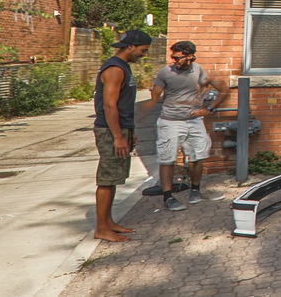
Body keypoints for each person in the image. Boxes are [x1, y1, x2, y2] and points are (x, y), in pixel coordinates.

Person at [148, 40, 226, 210]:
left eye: (178, 58)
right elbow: (155, 95)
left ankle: (195, 190)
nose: (174, 61)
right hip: (170, 121)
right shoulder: (165, 72)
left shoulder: (199, 70)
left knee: (198, 156)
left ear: (190, 56)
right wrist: (154, 92)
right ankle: (168, 197)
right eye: (173, 57)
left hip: (194, 121)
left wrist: (209, 109)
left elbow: (223, 88)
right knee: (167, 158)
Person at [93, 28, 151, 242]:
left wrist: (130, 131)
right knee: (107, 179)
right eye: (143, 50)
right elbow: (110, 105)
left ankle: (108, 222)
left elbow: (124, 105)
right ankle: (101, 228)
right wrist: (117, 136)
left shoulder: (123, 67)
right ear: (131, 46)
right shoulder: (115, 69)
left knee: (115, 178)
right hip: (109, 130)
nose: (143, 54)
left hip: (121, 128)